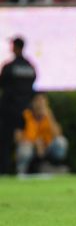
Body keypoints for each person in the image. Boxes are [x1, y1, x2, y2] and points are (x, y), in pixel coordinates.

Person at [0, 36, 36, 175]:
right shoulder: (30, 67)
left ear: (15, 47)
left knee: (6, 143)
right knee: (25, 141)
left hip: (8, 111)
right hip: (25, 111)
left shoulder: (9, 67)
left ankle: (5, 171)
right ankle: (23, 171)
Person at [15, 93, 68, 174]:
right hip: (31, 147)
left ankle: (54, 167)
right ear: (32, 102)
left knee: (61, 142)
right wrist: (35, 142)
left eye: (43, 101)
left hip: (46, 146)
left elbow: (58, 134)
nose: (40, 104)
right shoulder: (25, 115)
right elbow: (17, 138)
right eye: (38, 101)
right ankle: (21, 173)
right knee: (24, 150)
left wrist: (49, 116)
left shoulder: (49, 115)